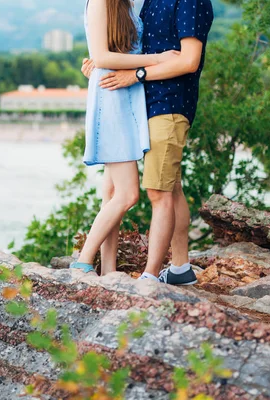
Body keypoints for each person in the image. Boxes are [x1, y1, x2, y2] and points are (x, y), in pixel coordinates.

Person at [81, 0, 214, 285]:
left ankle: (149, 277)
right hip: (134, 102)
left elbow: (188, 60)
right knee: (158, 187)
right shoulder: (144, 2)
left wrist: (135, 72)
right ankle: (175, 268)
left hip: (167, 102)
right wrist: (102, 60)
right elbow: (131, 48)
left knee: (157, 190)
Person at [69, 0, 179, 276]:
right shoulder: (100, 2)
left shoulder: (127, 4)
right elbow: (104, 58)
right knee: (128, 194)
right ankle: (83, 262)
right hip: (111, 99)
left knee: (112, 194)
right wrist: (157, 59)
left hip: (128, 97)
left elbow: (112, 52)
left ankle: (108, 271)